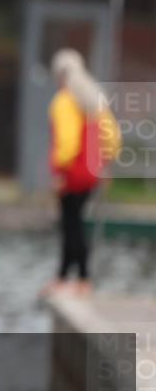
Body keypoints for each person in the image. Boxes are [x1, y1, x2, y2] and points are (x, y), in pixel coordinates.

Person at [41, 49, 121, 297]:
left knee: (70, 224)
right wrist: (106, 162)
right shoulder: (94, 97)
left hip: (73, 172)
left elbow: (67, 141)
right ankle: (76, 278)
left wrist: (59, 172)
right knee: (75, 222)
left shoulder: (65, 101)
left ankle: (72, 277)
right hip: (93, 172)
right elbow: (113, 136)